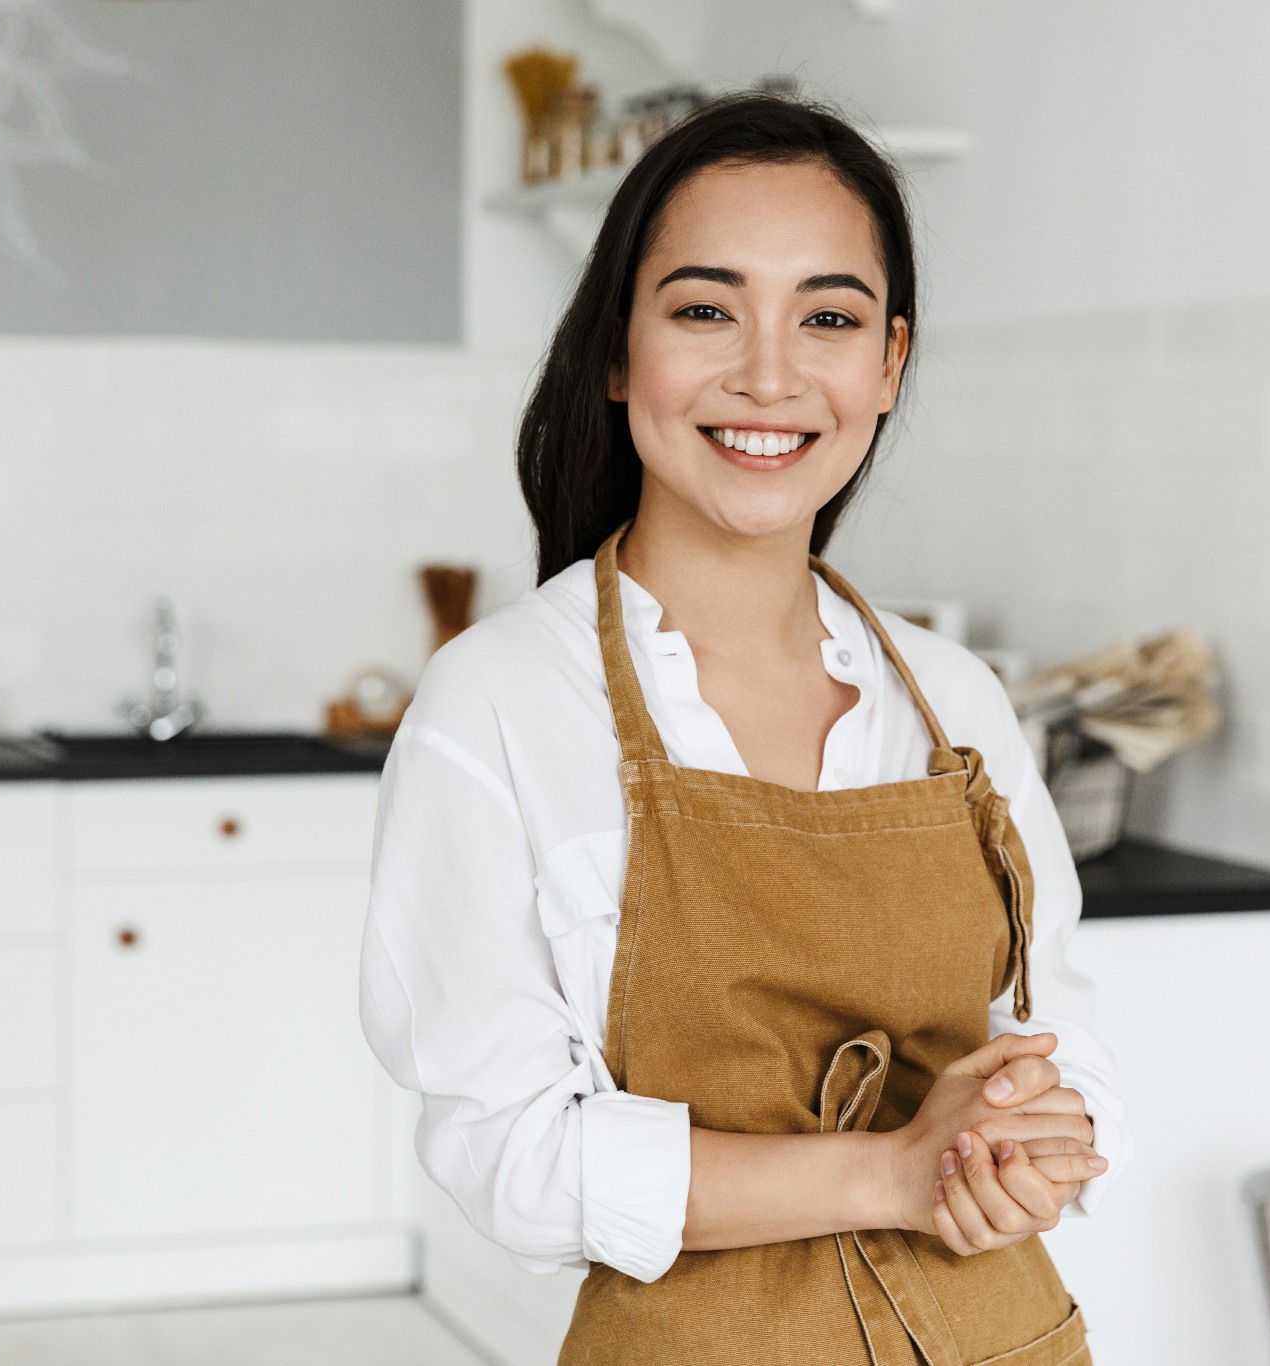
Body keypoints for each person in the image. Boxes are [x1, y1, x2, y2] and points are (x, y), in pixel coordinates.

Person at [360, 93, 1129, 1365]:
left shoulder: (956, 703)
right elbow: (514, 1154)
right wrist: (887, 1174)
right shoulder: (495, 702)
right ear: (617, 353)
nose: (768, 375)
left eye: (826, 317)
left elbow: (1058, 1040)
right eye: (704, 309)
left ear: (887, 364)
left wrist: (1031, 1143)